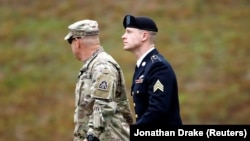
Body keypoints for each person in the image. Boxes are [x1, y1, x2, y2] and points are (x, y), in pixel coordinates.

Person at [64, 19, 133, 141]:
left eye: (70, 41)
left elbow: (103, 106)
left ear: (77, 42)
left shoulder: (102, 67)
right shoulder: (92, 66)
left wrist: (91, 137)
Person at [121, 14, 182, 126]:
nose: (123, 36)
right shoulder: (144, 66)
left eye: (129, 32)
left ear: (144, 36)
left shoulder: (158, 66)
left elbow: (158, 111)